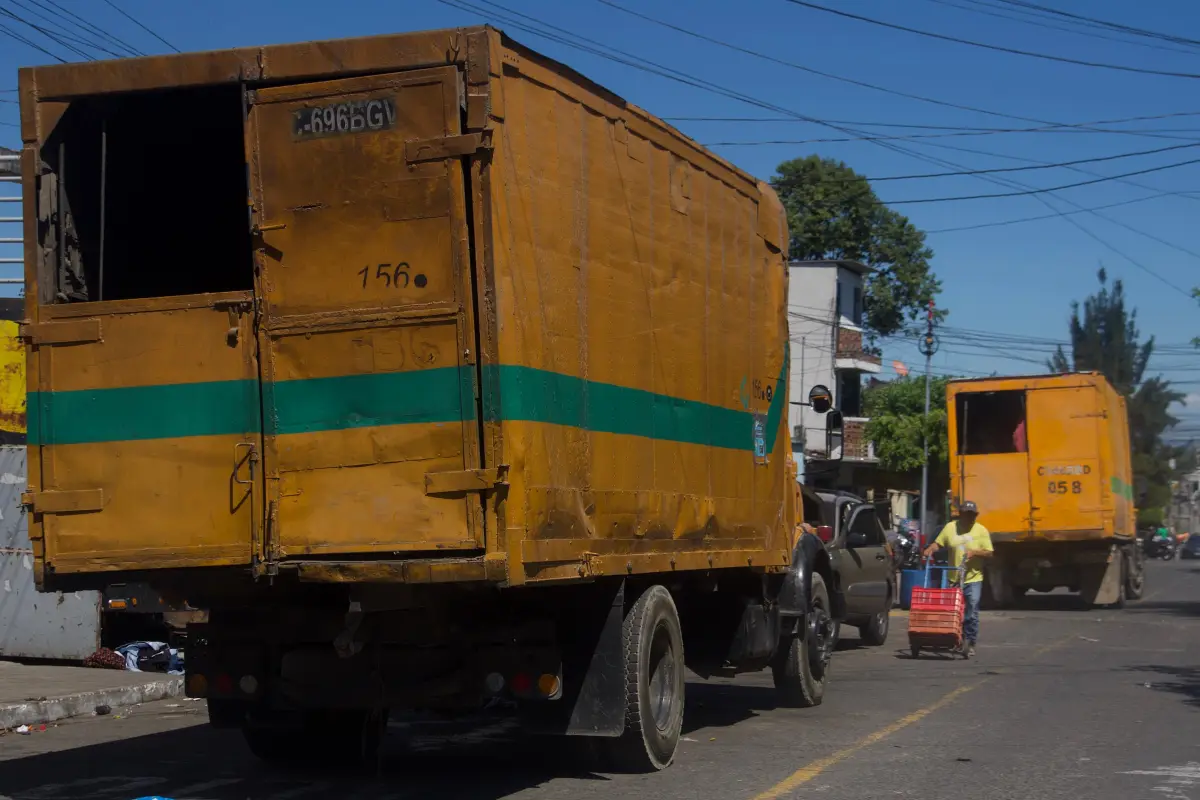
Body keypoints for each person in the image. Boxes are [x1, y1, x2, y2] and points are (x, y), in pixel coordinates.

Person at [922, 500, 993, 658]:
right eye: (966, 515)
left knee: (972, 610)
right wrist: (930, 549)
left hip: (973, 577)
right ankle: (955, 639)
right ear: (960, 515)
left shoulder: (981, 531)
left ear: (975, 516)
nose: (969, 518)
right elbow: (938, 544)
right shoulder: (950, 528)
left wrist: (975, 552)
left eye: (972, 515)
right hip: (954, 576)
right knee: (953, 612)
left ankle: (970, 641)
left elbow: (989, 552)